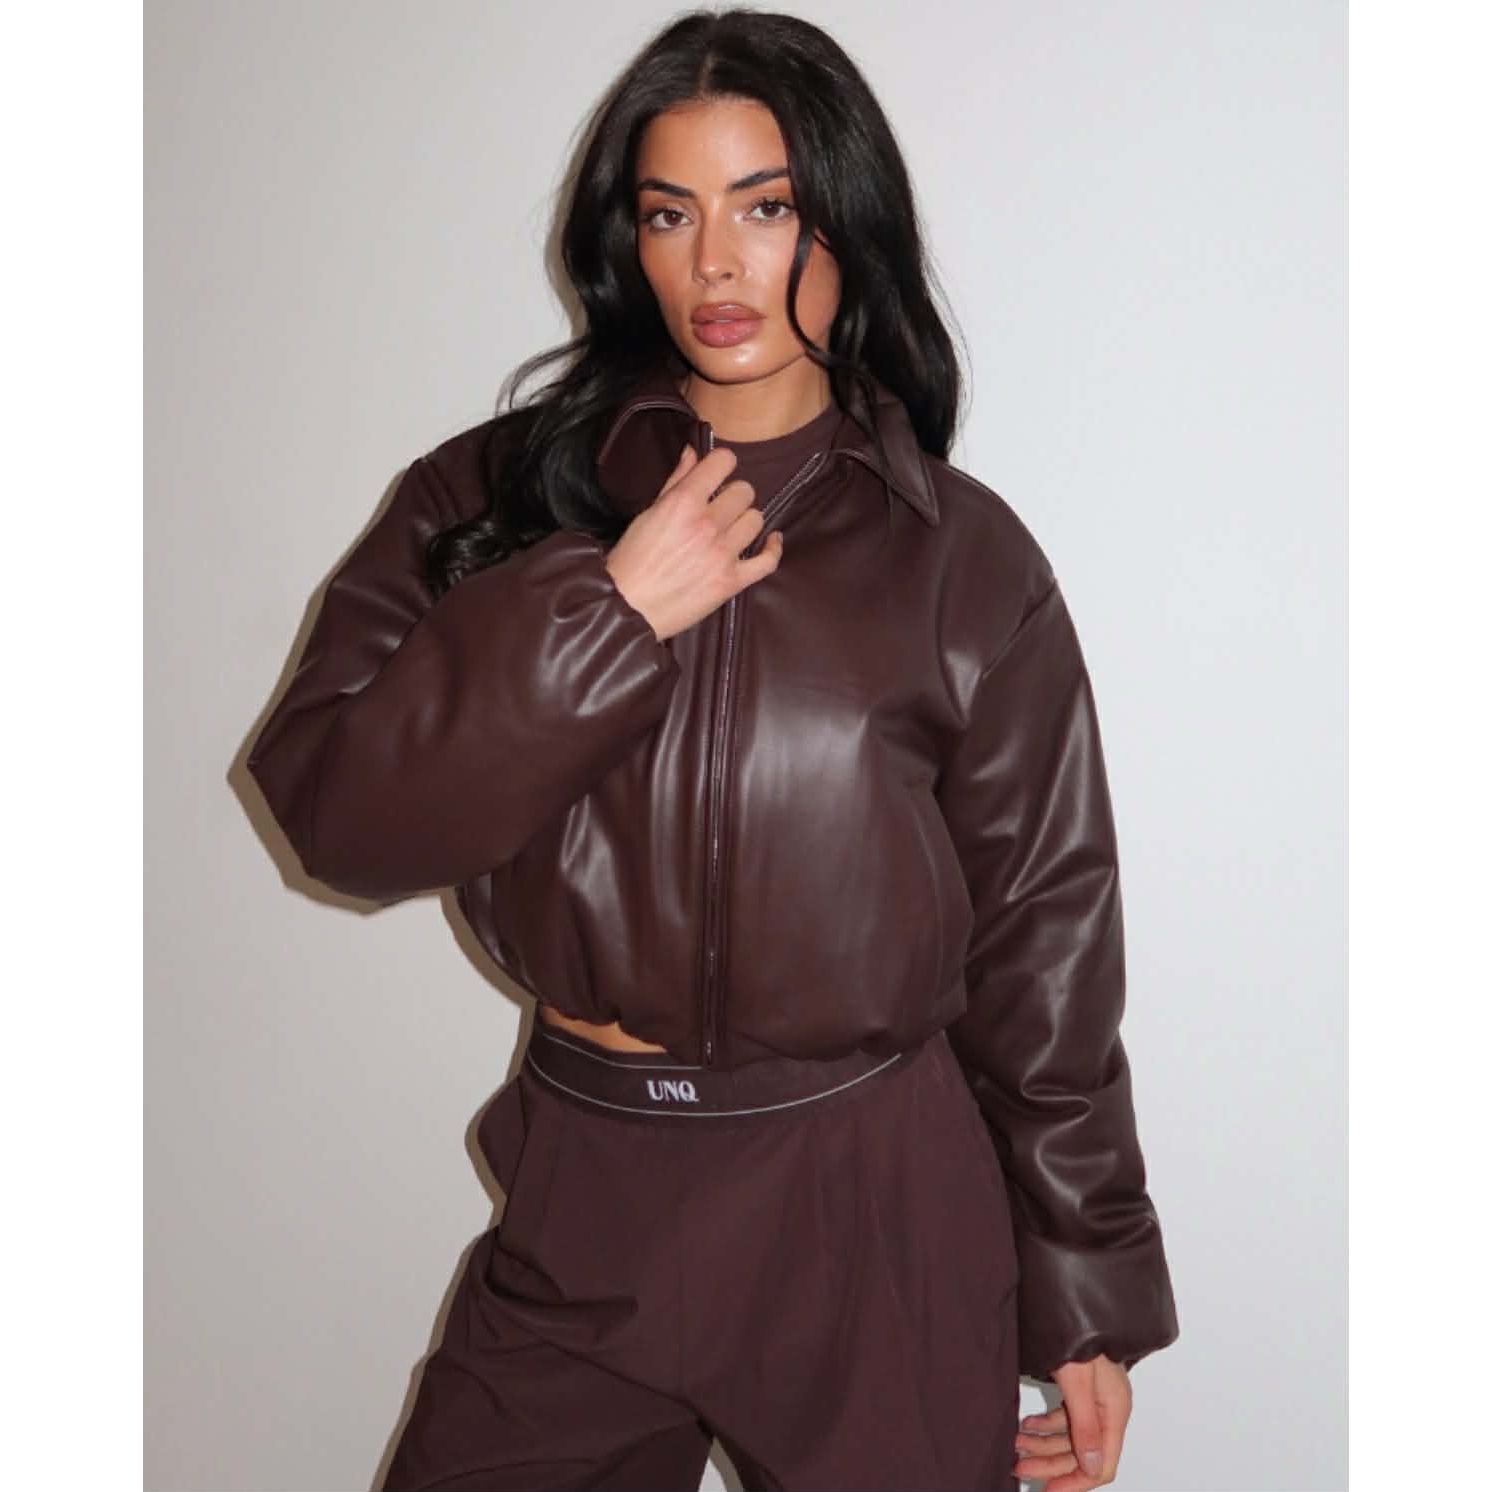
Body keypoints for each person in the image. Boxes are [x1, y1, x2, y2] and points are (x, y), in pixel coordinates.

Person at [246, 9, 1179, 1490]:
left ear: (846, 225)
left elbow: (1045, 941)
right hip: (587, 1188)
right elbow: (339, 822)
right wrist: (604, 615)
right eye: (670, 213)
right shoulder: (493, 501)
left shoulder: (961, 561)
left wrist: (1088, 1293)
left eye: (766, 207)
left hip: (869, 1211)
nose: (716, 265)